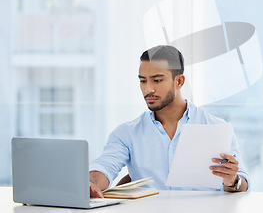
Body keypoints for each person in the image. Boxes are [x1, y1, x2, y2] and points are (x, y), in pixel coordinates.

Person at [89, 45, 249, 197]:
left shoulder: (216, 128)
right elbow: (104, 168)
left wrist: (232, 180)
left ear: (179, 81)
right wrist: (90, 184)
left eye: (157, 80)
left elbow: (243, 183)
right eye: (143, 81)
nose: (148, 89)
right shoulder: (126, 133)